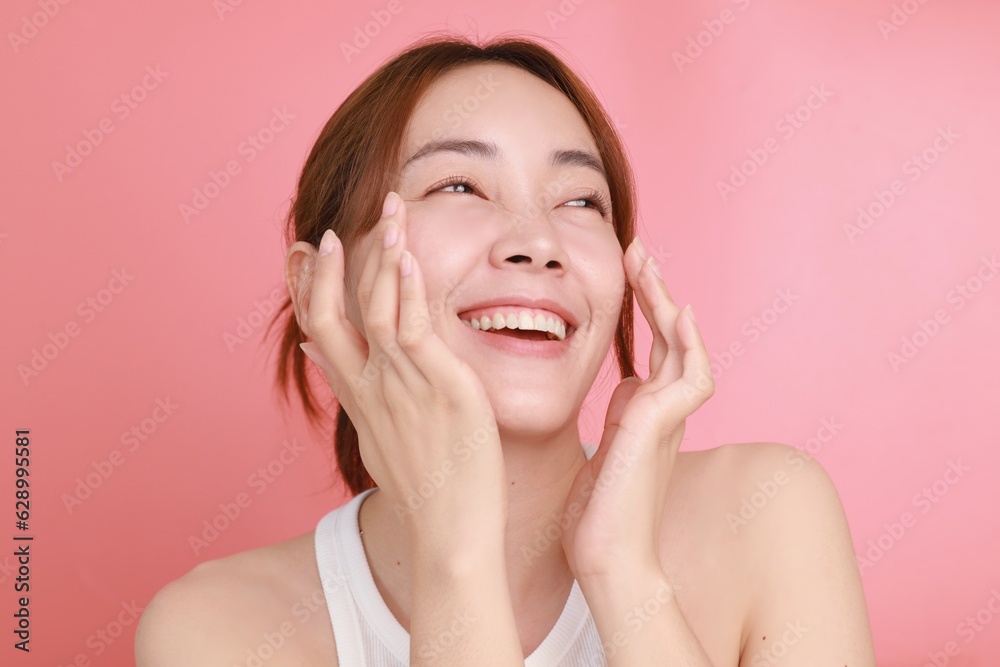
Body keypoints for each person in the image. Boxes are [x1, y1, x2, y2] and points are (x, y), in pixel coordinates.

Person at [135, 34, 877, 666]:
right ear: (318, 287)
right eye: (459, 185)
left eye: (580, 200)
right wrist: (455, 554)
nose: (538, 241)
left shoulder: (765, 517)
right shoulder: (218, 629)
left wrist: (623, 575)